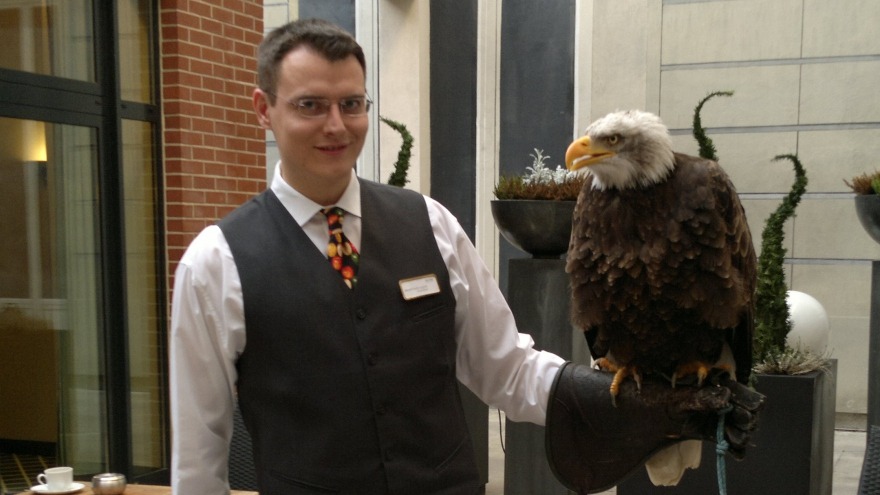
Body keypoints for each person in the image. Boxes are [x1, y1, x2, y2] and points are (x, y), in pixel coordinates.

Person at [169, 18, 763, 495]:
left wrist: (636, 403)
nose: (336, 125)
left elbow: (504, 367)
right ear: (262, 110)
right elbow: (199, 456)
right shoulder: (214, 264)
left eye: (352, 104)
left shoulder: (429, 223)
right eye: (309, 105)